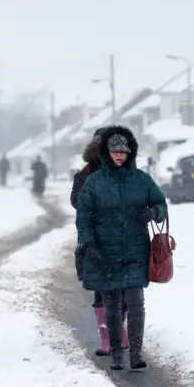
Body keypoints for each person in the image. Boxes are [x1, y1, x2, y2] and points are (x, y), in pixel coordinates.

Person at [76, 125, 168, 371]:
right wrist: (89, 244)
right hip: (105, 254)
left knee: (136, 303)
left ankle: (136, 353)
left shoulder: (141, 180)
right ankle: (117, 353)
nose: (119, 155)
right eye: (114, 151)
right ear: (107, 153)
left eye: (123, 151)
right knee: (112, 305)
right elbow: (83, 217)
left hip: (136, 251)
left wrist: (154, 212)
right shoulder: (94, 183)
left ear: (130, 153)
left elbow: (161, 204)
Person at [70, 127, 129, 356]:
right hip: (94, 240)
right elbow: (76, 201)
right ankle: (106, 339)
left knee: (122, 287)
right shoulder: (84, 175)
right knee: (100, 288)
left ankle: (120, 334)